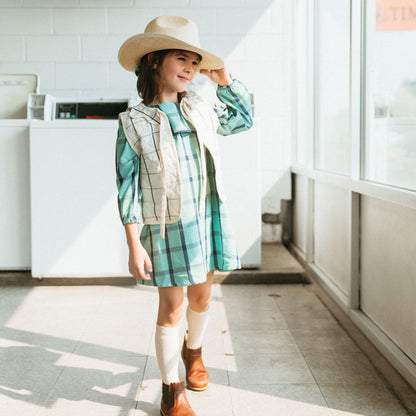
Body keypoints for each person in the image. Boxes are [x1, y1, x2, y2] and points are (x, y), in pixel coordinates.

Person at [116, 15, 253, 416]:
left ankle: (194, 352)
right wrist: (132, 244)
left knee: (203, 297)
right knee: (172, 308)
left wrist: (224, 80)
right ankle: (172, 390)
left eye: (195, 62)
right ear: (155, 61)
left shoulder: (201, 108)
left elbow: (243, 119)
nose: (191, 69)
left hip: (206, 218)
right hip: (165, 227)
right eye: (182, 59)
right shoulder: (132, 123)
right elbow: (126, 186)